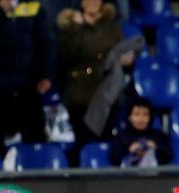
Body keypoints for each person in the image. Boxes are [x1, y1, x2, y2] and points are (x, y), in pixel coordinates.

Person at [0, 0, 54, 150]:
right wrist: (0, 10)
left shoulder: (33, 6)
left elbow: (46, 43)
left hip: (27, 87)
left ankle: (35, 173)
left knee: (35, 142)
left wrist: (45, 74)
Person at [57, 0, 132, 149]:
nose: (92, 2)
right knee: (81, 142)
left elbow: (122, 49)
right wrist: (78, 27)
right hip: (79, 93)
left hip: (106, 92)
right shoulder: (71, 26)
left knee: (105, 141)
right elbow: (67, 54)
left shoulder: (111, 25)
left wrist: (126, 57)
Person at [110, 98, 172, 168]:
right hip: (128, 177)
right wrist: (128, 150)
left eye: (145, 114)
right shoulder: (122, 136)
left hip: (154, 177)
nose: (141, 119)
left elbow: (168, 156)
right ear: (129, 117)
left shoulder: (158, 136)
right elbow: (113, 158)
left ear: (150, 117)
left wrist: (155, 148)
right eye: (137, 114)